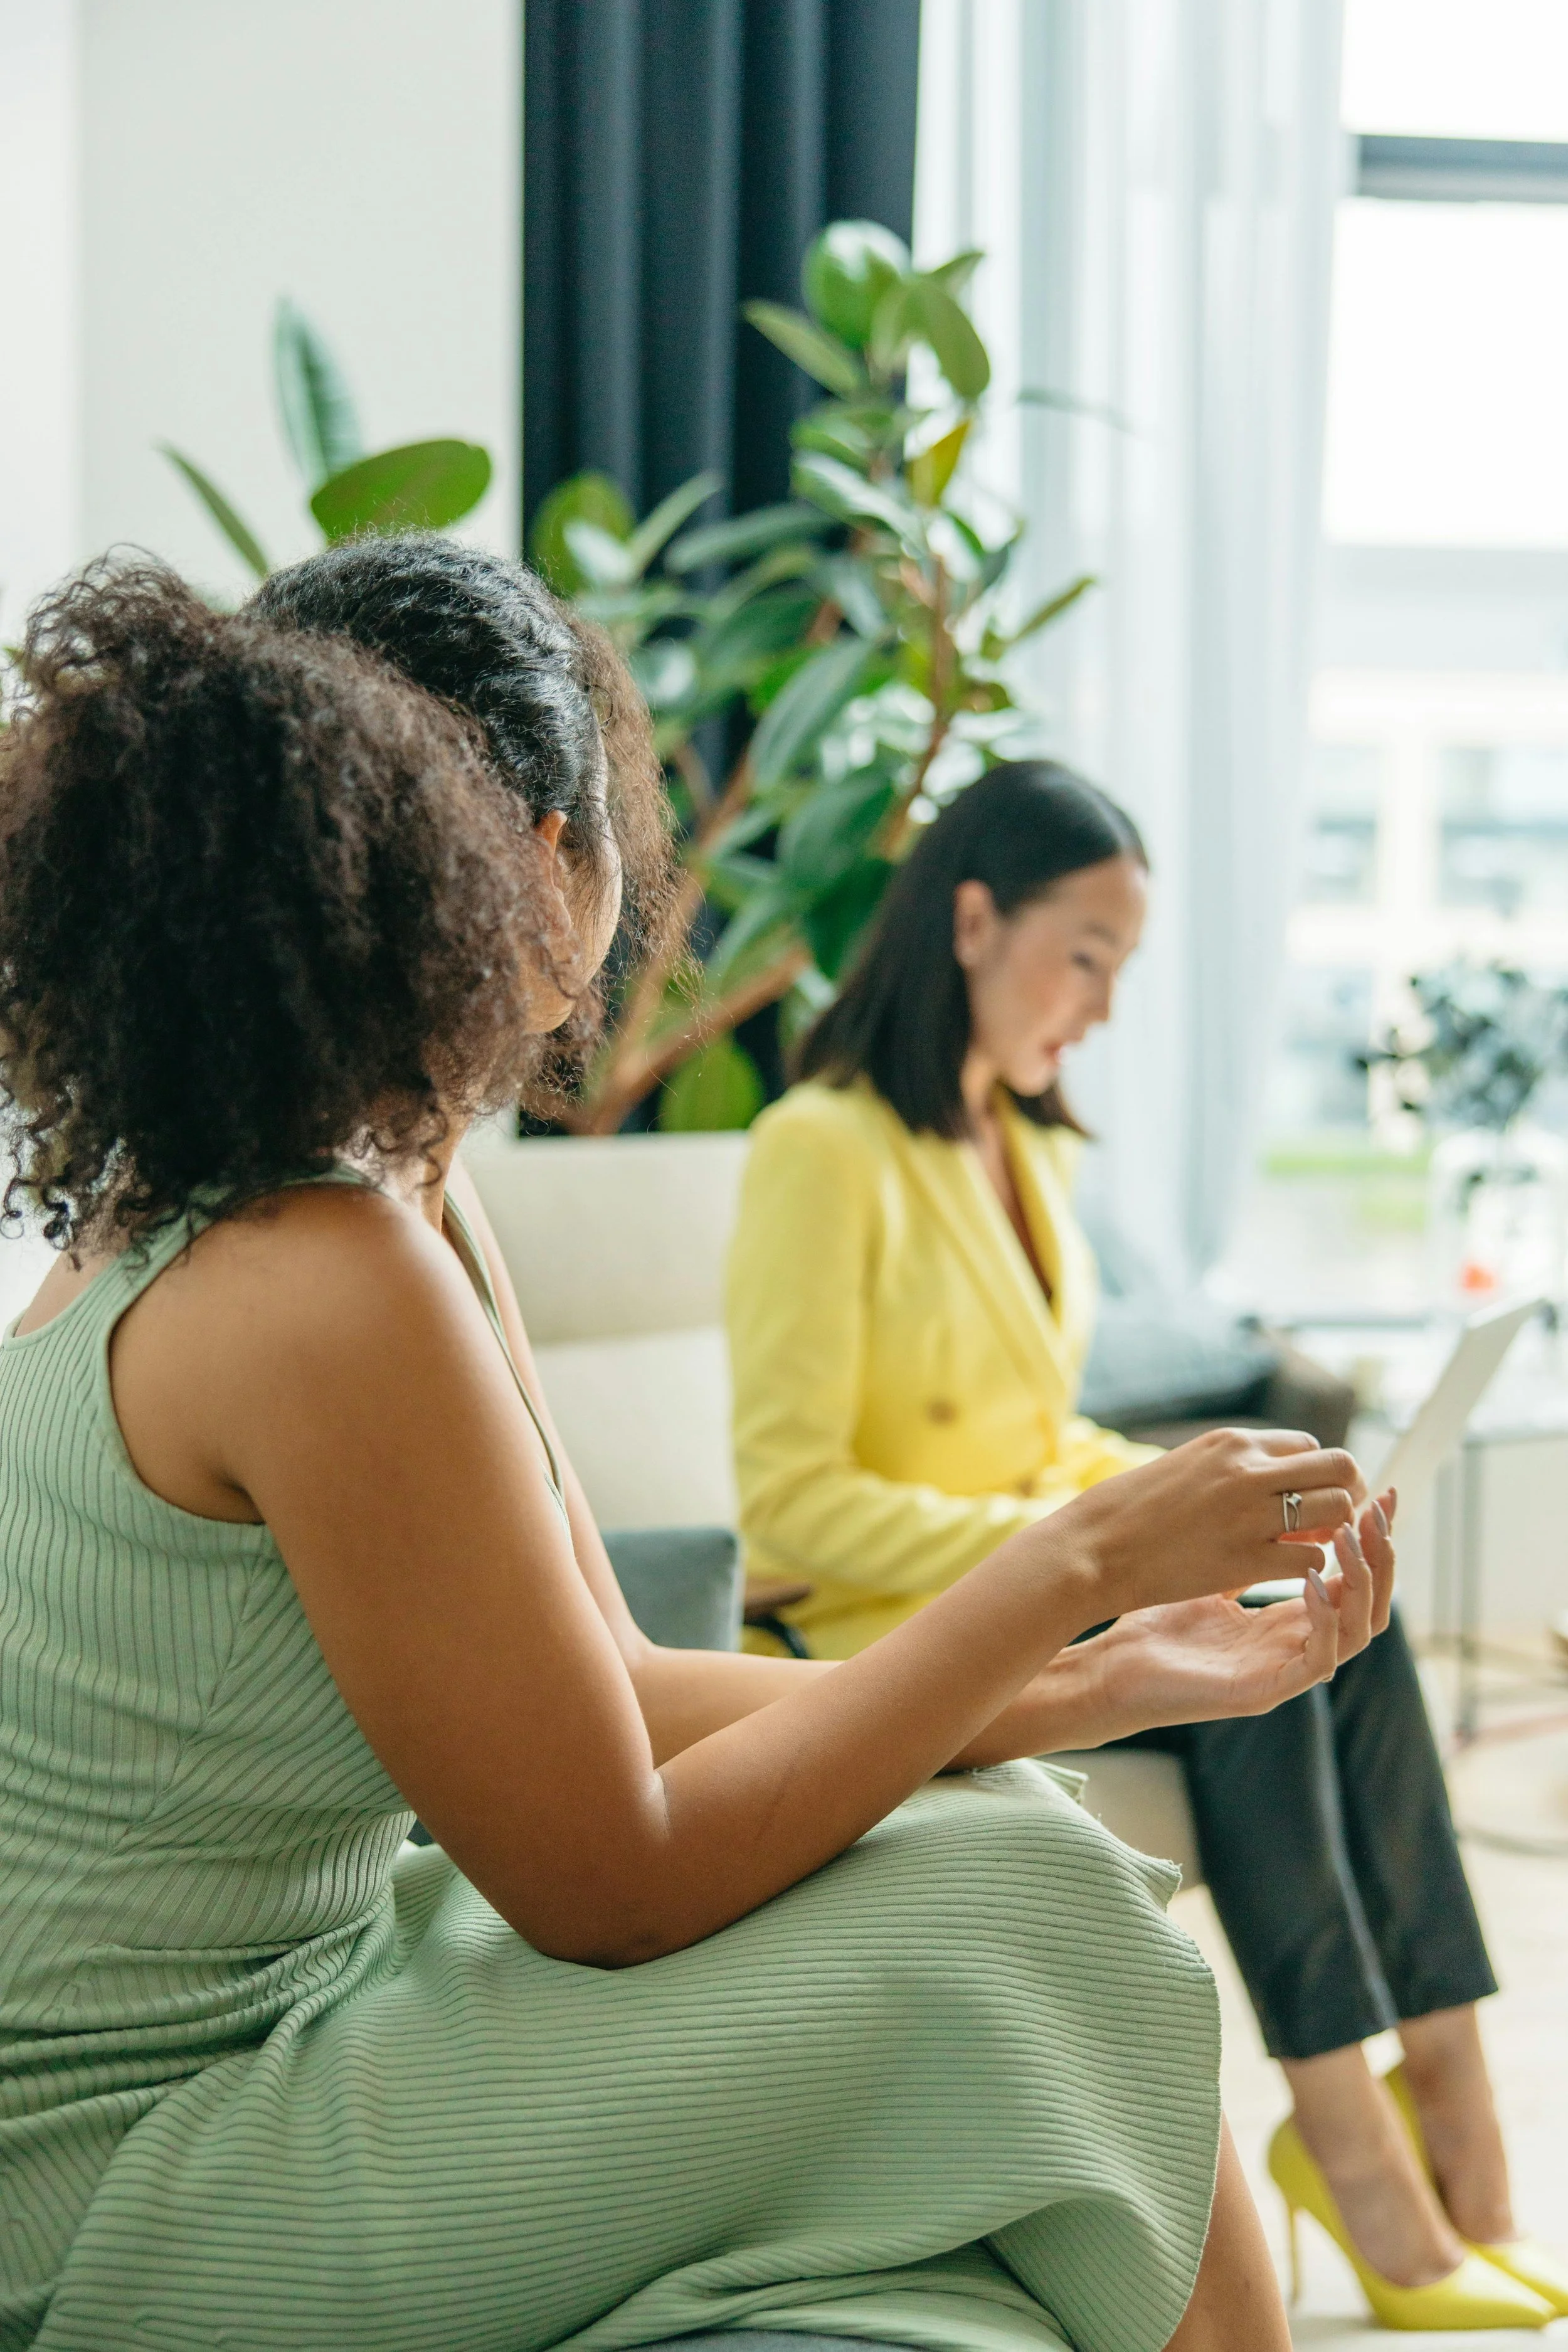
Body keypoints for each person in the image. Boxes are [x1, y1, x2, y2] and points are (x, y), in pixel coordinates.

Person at [0, 548, 1406, 2352]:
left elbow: (616, 1680)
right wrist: (1079, 1557)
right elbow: (609, 1882)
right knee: (1046, 1909)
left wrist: (1081, 1683)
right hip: (126, 2174)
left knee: (1015, 1834)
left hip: (282, 2014)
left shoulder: (276, 1194)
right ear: (535, 848)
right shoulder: (329, 1275)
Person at [725, 761, 1568, 2334]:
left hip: (1043, 1588)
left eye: (1124, 965)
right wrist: (1107, 1549)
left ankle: (1461, 2131)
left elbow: (1031, 1435)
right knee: (1244, 1653)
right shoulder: (818, 1151)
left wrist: (1202, 1490)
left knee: (1327, 1610)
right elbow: (790, 1509)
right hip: (899, 1630)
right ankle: (1351, 2158)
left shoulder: (1027, 1149)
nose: (1103, 1006)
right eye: (1086, 954)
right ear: (971, 920)